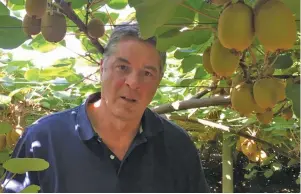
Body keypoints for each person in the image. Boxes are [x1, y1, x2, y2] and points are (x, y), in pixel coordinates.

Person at [1, 23, 210, 193]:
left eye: (147, 73)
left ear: (158, 81)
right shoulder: (44, 138)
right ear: (102, 69)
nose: (133, 82)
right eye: (123, 67)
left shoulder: (177, 145)